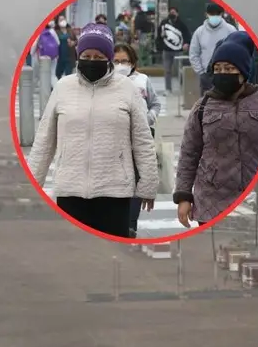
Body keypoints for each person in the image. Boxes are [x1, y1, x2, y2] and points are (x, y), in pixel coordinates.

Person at [26, 23, 159, 239]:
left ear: (108, 58)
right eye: (87, 55)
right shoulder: (63, 87)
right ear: (78, 56)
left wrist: (148, 185)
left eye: (99, 57)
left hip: (114, 192)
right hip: (70, 191)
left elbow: (143, 140)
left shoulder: (126, 88)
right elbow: (44, 141)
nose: (92, 61)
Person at [174, 38, 258, 227]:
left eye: (228, 69)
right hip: (211, 203)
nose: (223, 74)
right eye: (218, 69)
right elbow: (188, 154)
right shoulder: (203, 107)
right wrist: (184, 197)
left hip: (252, 201)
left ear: (243, 72)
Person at [112, 43, 161, 238]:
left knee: (137, 181)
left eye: (124, 61)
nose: (121, 65)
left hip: (141, 137)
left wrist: (147, 118)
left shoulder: (143, 80)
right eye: (116, 61)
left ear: (132, 62)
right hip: (116, 137)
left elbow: (155, 103)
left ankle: (131, 225)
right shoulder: (107, 82)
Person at [188, 3, 237, 95]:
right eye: (211, 14)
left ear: (222, 14)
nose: (214, 16)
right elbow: (194, 54)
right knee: (207, 106)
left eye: (217, 14)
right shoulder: (199, 32)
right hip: (207, 76)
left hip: (227, 75)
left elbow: (237, 53)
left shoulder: (231, 30)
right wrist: (201, 73)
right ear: (206, 14)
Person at [156, 6, 190, 95]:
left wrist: (186, 43)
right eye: (170, 12)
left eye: (174, 12)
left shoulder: (181, 24)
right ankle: (168, 89)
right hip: (166, 51)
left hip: (178, 51)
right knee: (167, 70)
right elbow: (159, 35)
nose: (172, 14)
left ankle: (182, 88)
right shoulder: (163, 23)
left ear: (177, 14)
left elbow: (187, 35)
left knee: (180, 70)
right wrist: (160, 44)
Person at [54, 15, 77, 80]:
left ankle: (67, 88)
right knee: (58, 74)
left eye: (63, 19)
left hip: (69, 56)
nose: (62, 21)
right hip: (59, 57)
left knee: (68, 75)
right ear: (57, 22)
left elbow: (76, 41)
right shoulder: (55, 31)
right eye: (60, 20)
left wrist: (73, 43)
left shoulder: (70, 30)